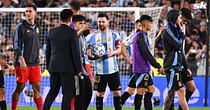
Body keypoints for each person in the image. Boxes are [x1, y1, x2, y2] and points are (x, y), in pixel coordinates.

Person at [43, 9, 82, 110]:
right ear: (70, 19)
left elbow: (48, 52)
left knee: (52, 92)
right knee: (67, 94)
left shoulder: (52, 32)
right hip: (67, 69)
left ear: (60, 18)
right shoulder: (72, 33)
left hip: (54, 68)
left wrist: (48, 67)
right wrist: (79, 69)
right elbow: (75, 53)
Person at [87, 13, 122, 110]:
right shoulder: (92, 36)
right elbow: (88, 53)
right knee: (100, 94)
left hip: (113, 70)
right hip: (99, 71)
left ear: (107, 22)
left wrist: (113, 53)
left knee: (117, 92)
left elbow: (120, 49)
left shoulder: (114, 34)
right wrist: (93, 56)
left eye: (103, 21)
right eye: (99, 22)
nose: (101, 23)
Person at [12, 4, 43, 110]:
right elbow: (16, 45)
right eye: (26, 11)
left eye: (30, 11)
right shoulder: (20, 27)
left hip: (35, 63)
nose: (28, 13)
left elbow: (38, 44)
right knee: (20, 87)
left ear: (35, 12)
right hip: (22, 63)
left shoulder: (38, 26)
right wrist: (21, 60)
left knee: (37, 89)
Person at [131, 15, 164, 110]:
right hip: (141, 69)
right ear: (145, 24)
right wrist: (158, 66)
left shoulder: (143, 35)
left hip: (144, 68)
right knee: (140, 92)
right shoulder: (140, 36)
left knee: (151, 90)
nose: (152, 26)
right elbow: (146, 53)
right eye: (150, 23)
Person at [162, 9, 192, 110]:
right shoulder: (168, 30)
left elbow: (181, 52)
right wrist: (183, 34)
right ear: (174, 18)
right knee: (180, 91)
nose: (181, 19)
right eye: (179, 17)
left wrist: (186, 66)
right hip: (171, 66)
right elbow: (178, 45)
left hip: (177, 66)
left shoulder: (177, 31)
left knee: (171, 93)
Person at [72, 15, 93, 110]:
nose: (83, 25)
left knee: (89, 92)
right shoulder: (72, 34)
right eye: (80, 23)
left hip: (84, 67)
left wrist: (93, 55)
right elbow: (73, 38)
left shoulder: (83, 37)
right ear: (74, 25)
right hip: (75, 69)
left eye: (84, 23)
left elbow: (85, 52)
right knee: (79, 94)